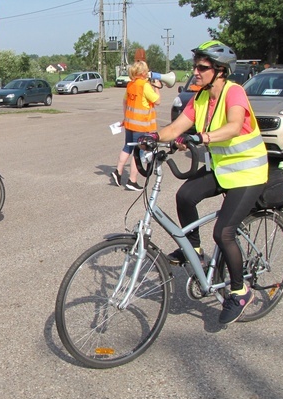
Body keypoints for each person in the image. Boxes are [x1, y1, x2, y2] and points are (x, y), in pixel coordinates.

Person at [138, 40, 268, 325]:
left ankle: (240, 291)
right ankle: (193, 250)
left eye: (202, 67)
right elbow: (175, 127)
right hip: (223, 170)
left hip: (248, 174)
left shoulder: (234, 93)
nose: (195, 72)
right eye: (195, 66)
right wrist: (152, 138)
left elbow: (234, 126)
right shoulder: (200, 98)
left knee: (223, 233)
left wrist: (202, 137)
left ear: (220, 71)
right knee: (185, 196)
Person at [111, 60, 160, 191]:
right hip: (142, 125)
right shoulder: (145, 86)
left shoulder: (131, 84)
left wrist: (126, 117)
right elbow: (157, 100)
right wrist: (157, 87)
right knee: (139, 152)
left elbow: (124, 102)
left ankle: (118, 172)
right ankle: (132, 181)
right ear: (144, 72)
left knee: (127, 147)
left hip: (130, 123)